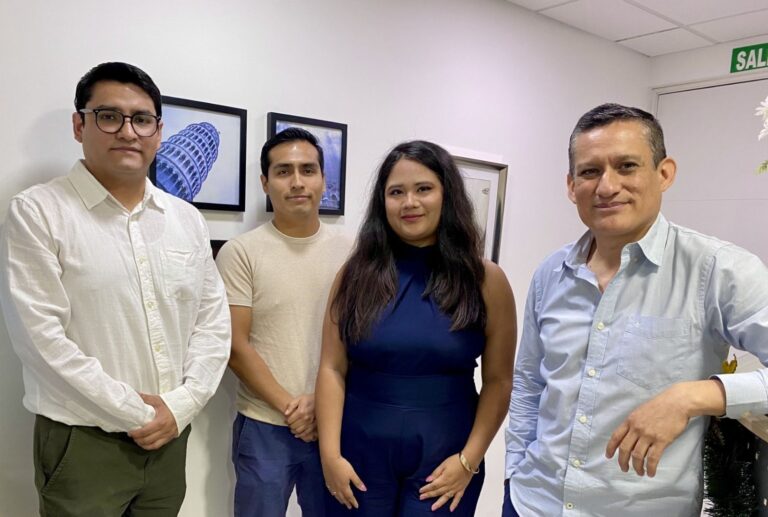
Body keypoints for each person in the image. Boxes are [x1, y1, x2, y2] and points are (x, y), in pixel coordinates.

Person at [504, 103, 768, 516]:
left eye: (626, 166)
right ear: (571, 186)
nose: (607, 186)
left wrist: (695, 396)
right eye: (590, 172)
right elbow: (529, 383)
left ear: (664, 173)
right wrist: (513, 472)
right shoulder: (550, 274)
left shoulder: (718, 270)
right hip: (533, 502)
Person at [0, 62, 231, 516]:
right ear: (79, 125)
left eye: (142, 119)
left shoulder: (186, 219)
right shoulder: (38, 212)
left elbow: (212, 323)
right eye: (109, 116)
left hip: (170, 439)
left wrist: (181, 405)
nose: (128, 131)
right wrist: (139, 414)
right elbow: (41, 340)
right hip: (83, 442)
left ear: (158, 132)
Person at [316, 140, 516, 516]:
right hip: (357, 454)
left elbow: (499, 381)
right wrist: (329, 456)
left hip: (447, 459)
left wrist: (469, 461)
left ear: (447, 194)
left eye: (423, 188)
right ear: (382, 202)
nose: (410, 202)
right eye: (396, 192)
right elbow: (331, 368)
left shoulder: (486, 280)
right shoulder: (354, 275)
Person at [215, 127, 352, 517]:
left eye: (308, 170)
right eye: (283, 171)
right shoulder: (241, 253)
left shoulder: (354, 251)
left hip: (337, 422)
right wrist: (295, 410)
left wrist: (320, 406)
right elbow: (236, 346)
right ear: (265, 182)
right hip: (265, 425)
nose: (297, 182)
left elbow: (362, 337)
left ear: (323, 179)